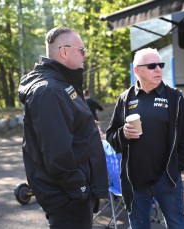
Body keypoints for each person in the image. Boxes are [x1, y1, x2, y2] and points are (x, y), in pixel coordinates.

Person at [18, 27, 109, 229]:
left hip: (73, 196)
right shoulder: (50, 91)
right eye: (82, 50)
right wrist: (81, 188)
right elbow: (57, 154)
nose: (85, 55)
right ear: (64, 52)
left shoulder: (61, 85)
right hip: (68, 199)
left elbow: (71, 132)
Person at [106, 47, 184, 229]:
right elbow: (111, 136)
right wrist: (123, 134)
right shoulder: (125, 99)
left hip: (167, 180)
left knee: (177, 225)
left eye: (160, 65)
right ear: (137, 70)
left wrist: (173, 171)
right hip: (135, 181)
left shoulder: (175, 99)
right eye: (152, 66)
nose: (158, 69)